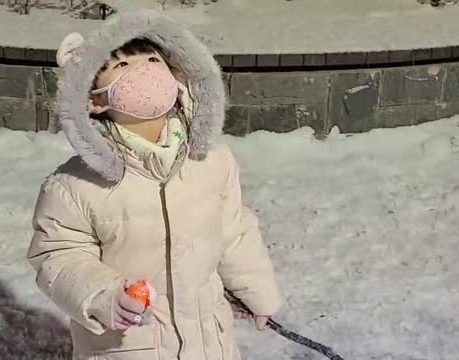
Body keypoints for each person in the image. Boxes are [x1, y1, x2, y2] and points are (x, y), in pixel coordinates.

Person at [27, 9, 282, 360]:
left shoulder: (211, 162)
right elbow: (58, 255)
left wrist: (255, 292)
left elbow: (234, 230)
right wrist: (104, 295)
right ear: (94, 100)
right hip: (130, 345)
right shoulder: (75, 185)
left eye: (152, 59)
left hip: (209, 343)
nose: (145, 70)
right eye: (123, 67)